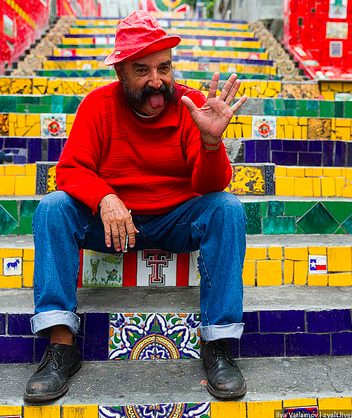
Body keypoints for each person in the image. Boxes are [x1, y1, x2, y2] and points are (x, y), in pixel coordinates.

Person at [24, 10, 249, 402]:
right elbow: (70, 171)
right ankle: (61, 346)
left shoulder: (192, 105)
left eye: (164, 67)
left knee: (227, 208)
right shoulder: (97, 105)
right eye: (142, 70)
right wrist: (105, 196)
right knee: (53, 208)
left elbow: (209, 185)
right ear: (120, 74)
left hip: (176, 221)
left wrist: (212, 143)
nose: (156, 81)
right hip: (113, 225)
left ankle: (219, 345)